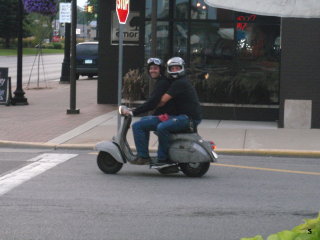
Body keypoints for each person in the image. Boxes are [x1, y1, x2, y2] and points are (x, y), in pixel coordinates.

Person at [123, 57, 176, 165]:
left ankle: (143, 156)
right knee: (144, 121)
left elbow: (152, 103)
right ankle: (143, 154)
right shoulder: (162, 82)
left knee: (137, 126)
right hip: (166, 115)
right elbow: (152, 102)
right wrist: (135, 109)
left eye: (155, 68)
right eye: (151, 68)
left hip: (168, 116)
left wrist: (133, 112)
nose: (152, 70)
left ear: (160, 70)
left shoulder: (163, 83)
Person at [152, 56, 202, 166]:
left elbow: (162, 100)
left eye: (177, 68)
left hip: (188, 118)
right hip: (185, 116)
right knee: (156, 122)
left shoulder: (180, 83)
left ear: (182, 68)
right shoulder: (178, 81)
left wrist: (150, 105)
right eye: (172, 68)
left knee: (162, 127)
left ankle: (163, 159)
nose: (174, 70)